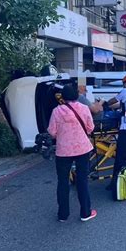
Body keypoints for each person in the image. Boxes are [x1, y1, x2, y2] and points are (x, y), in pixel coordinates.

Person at [47, 84, 97, 222]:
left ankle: (63, 215)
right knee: (82, 180)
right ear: (76, 95)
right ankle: (85, 213)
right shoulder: (85, 108)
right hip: (82, 149)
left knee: (63, 182)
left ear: (63, 96)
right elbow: (90, 128)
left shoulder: (56, 111)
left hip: (63, 151)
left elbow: (52, 132)